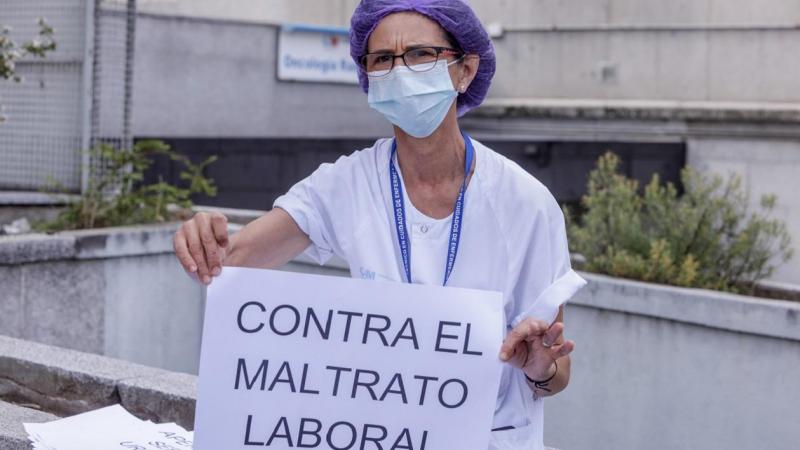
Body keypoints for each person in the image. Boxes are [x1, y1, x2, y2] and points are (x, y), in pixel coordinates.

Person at [172, 1, 587, 448]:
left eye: (420, 54)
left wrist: (538, 368)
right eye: (383, 59)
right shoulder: (348, 183)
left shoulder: (527, 206)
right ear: (368, 78)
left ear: (465, 70)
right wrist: (205, 243)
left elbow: (555, 373)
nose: (400, 71)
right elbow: (235, 261)